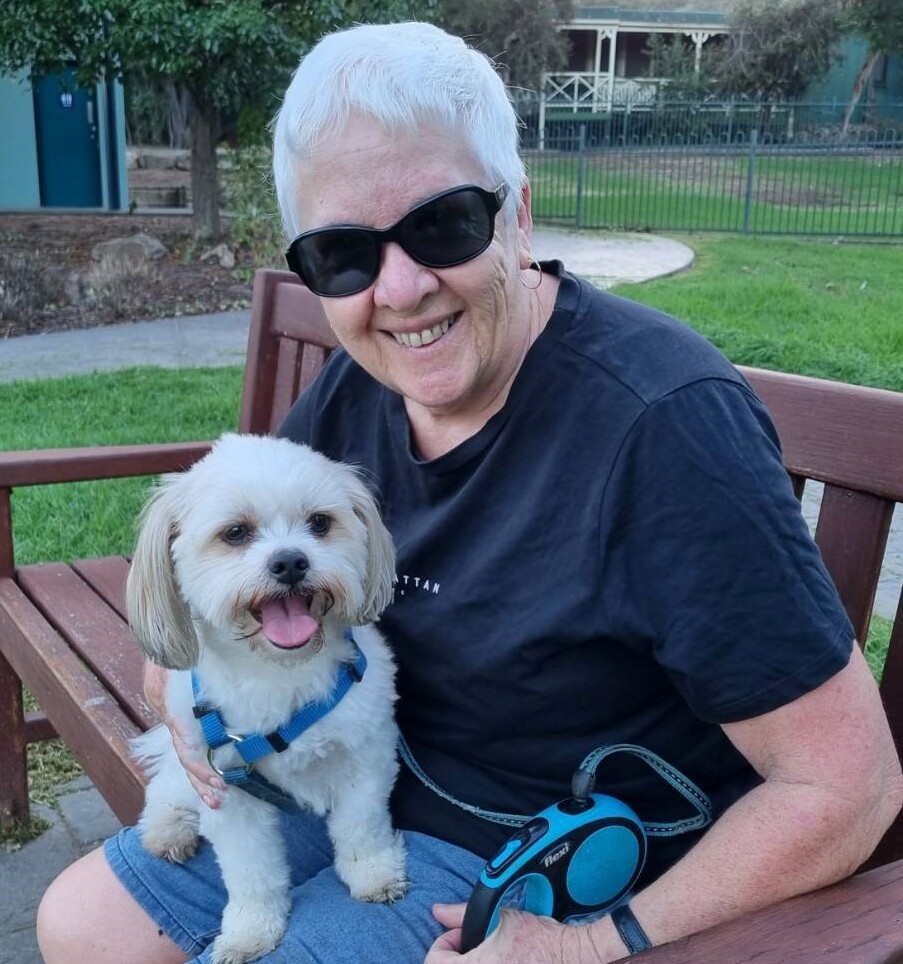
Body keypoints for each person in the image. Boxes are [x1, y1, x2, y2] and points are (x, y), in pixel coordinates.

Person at [37, 21, 902, 964]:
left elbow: (844, 787)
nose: (400, 288)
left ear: (517, 212)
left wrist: (594, 945)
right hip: (354, 768)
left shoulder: (662, 428)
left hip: (543, 850)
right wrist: (180, 693)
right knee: (81, 927)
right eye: (344, 254)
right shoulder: (365, 380)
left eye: (443, 223)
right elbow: (211, 573)